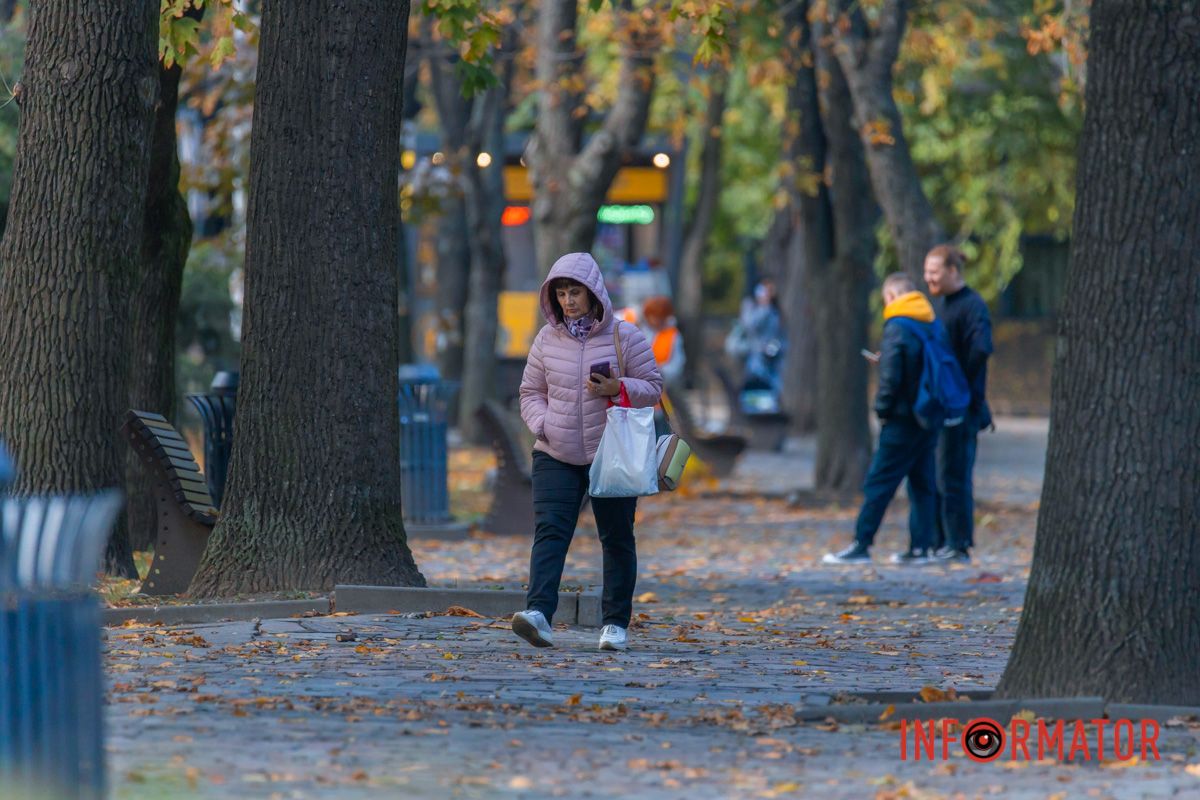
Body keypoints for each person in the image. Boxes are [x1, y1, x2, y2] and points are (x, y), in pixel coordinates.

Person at [514, 252, 663, 652]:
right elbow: (530, 392)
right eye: (560, 293)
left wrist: (619, 389)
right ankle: (538, 615)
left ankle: (615, 624)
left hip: (610, 452)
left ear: (593, 292)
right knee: (550, 532)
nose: (568, 301)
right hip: (555, 452)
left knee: (616, 538)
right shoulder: (547, 339)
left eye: (574, 292)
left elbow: (653, 385)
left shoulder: (625, 336)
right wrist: (544, 424)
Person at [823, 273, 940, 565]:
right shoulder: (930, 323)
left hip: (901, 419)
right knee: (923, 484)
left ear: (891, 296)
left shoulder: (897, 326)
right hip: (927, 416)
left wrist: (882, 410)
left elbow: (891, 378)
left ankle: (861, 544)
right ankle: (921, 547)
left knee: (879, 483)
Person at [923, 244, 993, 563]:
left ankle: (958, 544)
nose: (928, 278)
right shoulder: (944, 305)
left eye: (934, 272)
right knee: (942, 474)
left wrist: (959, 387)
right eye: (926, 272)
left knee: (955, 476)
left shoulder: (972, 306)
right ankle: (942, 542)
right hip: (946, 407)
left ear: (953, 271)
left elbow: (981, 348)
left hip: (962, 408)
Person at [725, 279, 786, 411]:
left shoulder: (775, 312)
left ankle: (767, 414)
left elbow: (780, 337)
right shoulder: (753, 308)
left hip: (772, 362)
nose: (767, 294)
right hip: (754, 360)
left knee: (770, 394)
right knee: (753, 391)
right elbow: (750, 326)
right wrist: (763, 307)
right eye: (764, 291)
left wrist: (775, 348)